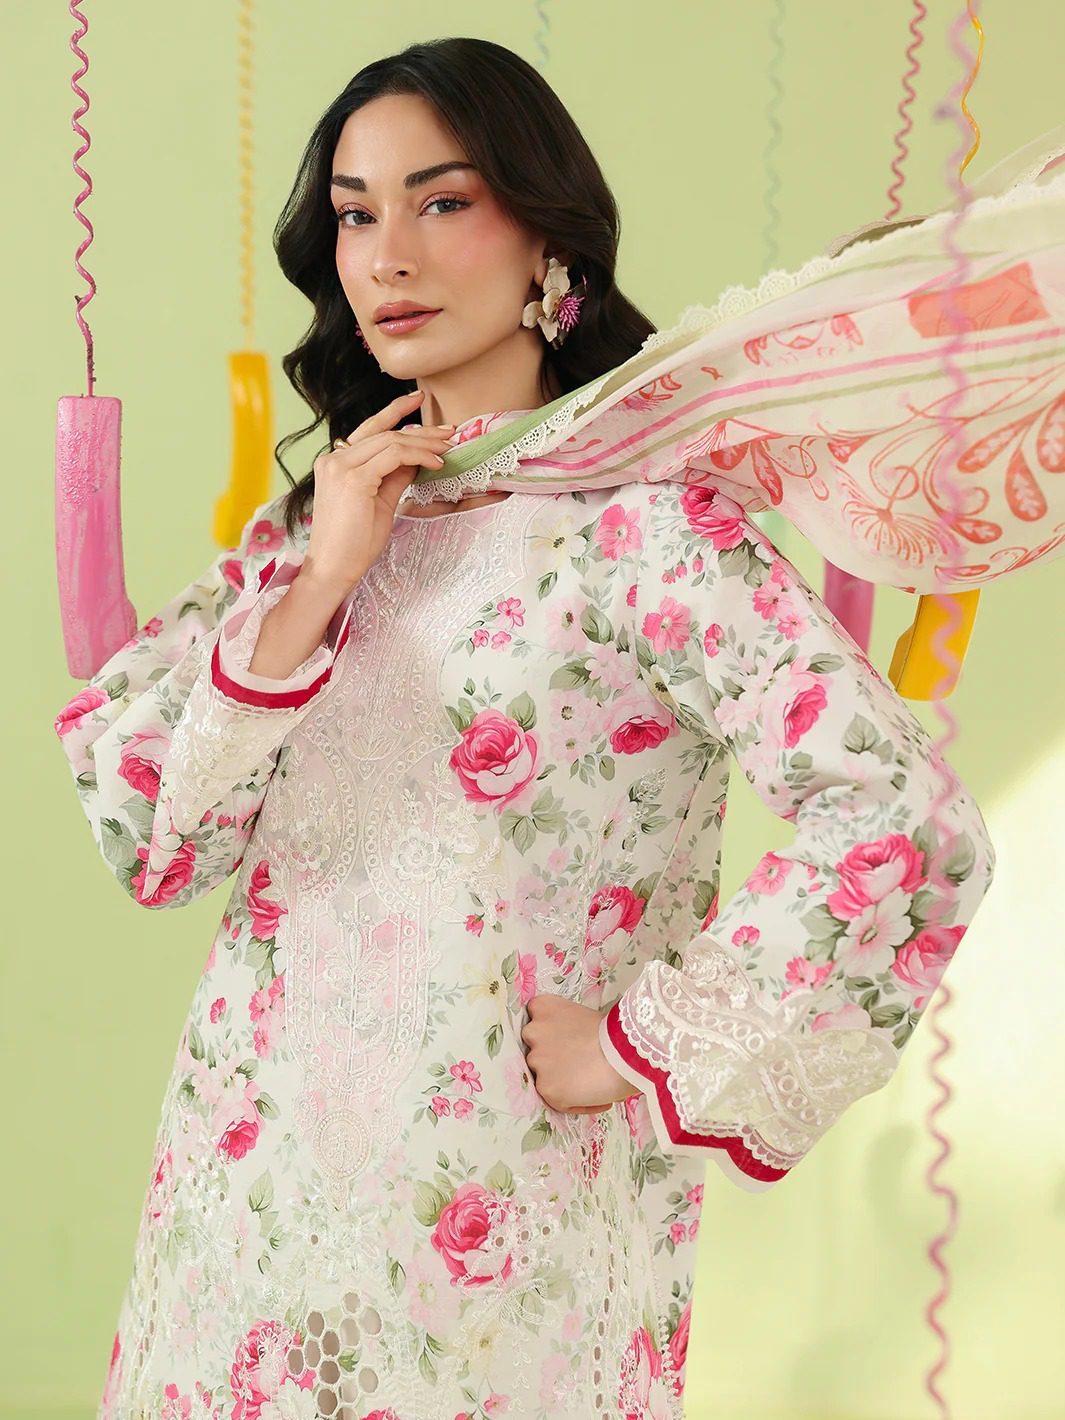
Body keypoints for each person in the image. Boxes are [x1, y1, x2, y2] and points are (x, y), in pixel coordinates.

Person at [54, 37, 995, 1420]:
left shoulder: (644, 527)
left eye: (441, 202)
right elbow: (157, 840)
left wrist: (643, 1039)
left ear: (548, 237)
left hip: (499, 1233)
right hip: (244, 1209)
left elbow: (904, 817)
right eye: (356, 215)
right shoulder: (315, 529)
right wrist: (320, 579)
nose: (387, 257)